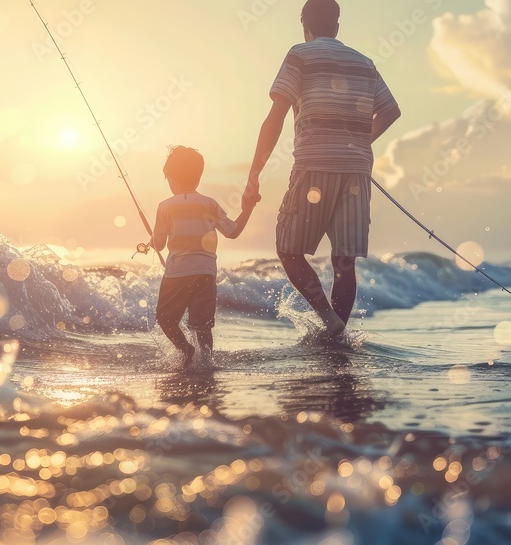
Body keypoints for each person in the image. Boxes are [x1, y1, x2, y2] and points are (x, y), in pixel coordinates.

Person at [243, 0, 402, 339]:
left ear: (305, 25)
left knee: (287, 249)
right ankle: (337, 336)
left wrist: (254, 172)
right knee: (344, 261)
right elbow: (391, 111)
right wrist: (362, 141)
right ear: (337, 26)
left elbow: (276, 116)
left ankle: (329, 320)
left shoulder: (300, 54)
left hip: (314, 164)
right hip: (356, 171)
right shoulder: (365, 63)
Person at [151, 146, 255, 369]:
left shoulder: (165, 207)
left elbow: (159, 243)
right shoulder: (210, 204)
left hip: (177, 273)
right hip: (205, 272)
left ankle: (185, 350)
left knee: (166, 319)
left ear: (171, 178)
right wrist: (248, 208)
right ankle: (206, 363)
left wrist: (152, 240)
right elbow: (233, 231)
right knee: (202, 325)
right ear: (198, 176)